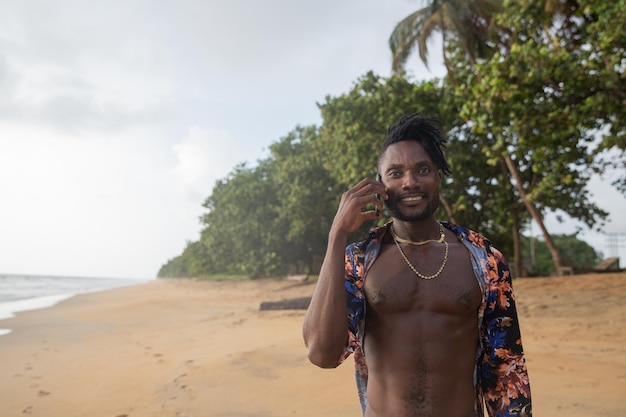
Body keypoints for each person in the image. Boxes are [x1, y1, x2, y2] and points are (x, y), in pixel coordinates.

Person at [302, 114, 531, 417]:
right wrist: (337, 236)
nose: (409, 182)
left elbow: (505, 367)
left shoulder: (483, 259)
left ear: (438, 176)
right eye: (395, 173)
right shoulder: (360, 260)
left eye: (422, 169)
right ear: (380, 185)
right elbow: (322, 353)